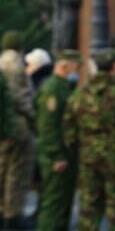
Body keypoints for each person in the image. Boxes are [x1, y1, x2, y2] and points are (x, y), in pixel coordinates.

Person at [63, 49, 115, 230]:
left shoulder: (79, 94)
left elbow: (69, 130)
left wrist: (78, 150)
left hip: (88, 158)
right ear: (114, 67)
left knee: (89, 207)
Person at [35, 50, 82, 231]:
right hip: (56, 155)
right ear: (65, 66)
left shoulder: (65, 87)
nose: (77, 71)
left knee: (64, 203)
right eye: (76, 67)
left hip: (67, 153)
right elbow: (48, 126)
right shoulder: (53, 89)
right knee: (53, 204)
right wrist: (56, 155)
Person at [0, 31, 36, 229]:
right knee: (17, 174)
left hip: (4, 127)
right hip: (17, 126)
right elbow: (21, 98)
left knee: (3, 171)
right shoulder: (16, 65)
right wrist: (33, 118)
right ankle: (12, 217)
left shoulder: (1, 63)